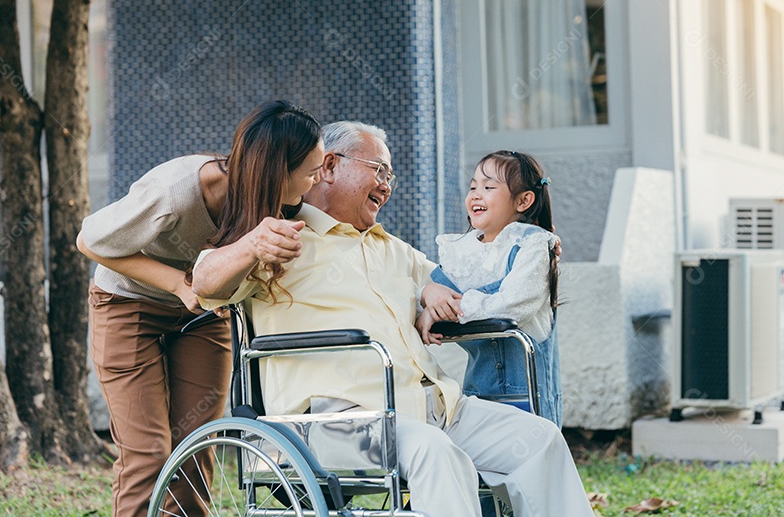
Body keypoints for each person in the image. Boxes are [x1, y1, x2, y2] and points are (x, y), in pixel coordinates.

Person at [193, 121, 594, 517]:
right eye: (379, 170)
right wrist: (251, 245)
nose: (386, 184)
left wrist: (528, 249)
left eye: (390, 175)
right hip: (339, 420)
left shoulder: (392, 248)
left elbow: (460, 284)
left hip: (434, 408)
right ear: (330, 166)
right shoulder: (282, 240)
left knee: (540, 440)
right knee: (436, 454)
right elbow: (205, 282)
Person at [76, 100, 323, 517]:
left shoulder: (276, 204)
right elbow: (90, 241)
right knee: (149, 456)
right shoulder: (174, 190)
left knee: (196, 448)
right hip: (128, 306)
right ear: (279, 171)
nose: (317, 181)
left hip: (203, 317)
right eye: (312, 171)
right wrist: (177, 283)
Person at [417, 150, 562, 426]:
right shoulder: (462, 253)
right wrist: (428, 304)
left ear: (523, 201)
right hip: (479, 391)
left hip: (529, 392)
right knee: (482, 462)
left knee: (531, 458)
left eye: (488, 187)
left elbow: (514, 303)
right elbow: (433, 290)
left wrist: (445, 310)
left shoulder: (533, 245)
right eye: (473, 186)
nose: (476, 194)